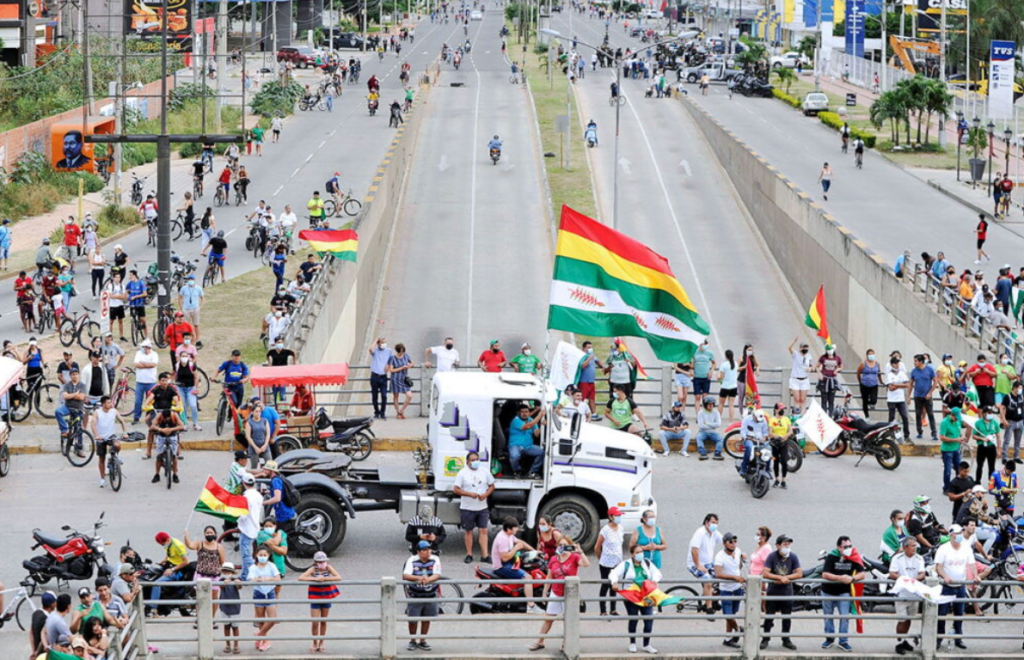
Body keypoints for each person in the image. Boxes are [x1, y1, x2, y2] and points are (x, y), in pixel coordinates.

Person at [532, 536, 588, 652]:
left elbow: (586, 564)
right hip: (555, 592)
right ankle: (540, 641)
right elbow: (549, 576)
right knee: (548, 618)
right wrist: (544, 592)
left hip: (570, 594)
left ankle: (566, 643)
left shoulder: (574, 557)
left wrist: (580, 552)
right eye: (560, 545)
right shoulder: (553, 559)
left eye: (565, 545)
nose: (562, 547)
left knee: (568, 620)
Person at [609, 543, 663, 653]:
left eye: (641, 552)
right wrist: (614, 582)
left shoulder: (647, 563)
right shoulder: (626, 564)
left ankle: (646, 644)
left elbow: (657, 573)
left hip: (646, 596)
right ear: (632, 555)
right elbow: (614, 573)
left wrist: (655, 581)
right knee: (633, 619)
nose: (640, 554)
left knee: (648, 619)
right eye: (637, 553)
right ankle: (632, 643)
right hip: (631, 596)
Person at [820, 536, 865, 652]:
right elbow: (825, 574)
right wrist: (840, 578)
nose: (848, 548)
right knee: (828, 616)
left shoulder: (854, 556)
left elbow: (862, 574)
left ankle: (843, 641)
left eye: (850, 546)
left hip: (844, 592)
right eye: (845, 547)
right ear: (839, 547)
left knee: (844, 616)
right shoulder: (831, 556)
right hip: (828, 591)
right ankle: (829, 638)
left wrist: (852, 578)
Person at [490, 517, 542, 613]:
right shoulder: (502, 539)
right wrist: (516, 548)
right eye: (515, 527)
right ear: (509, 529)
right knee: (528, 577)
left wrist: (534, 551)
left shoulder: (509, 535)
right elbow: (505, 558)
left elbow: (520, 542)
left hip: (509, 561)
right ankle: (531, 606)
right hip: (502, 566)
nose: (517, 529)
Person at [760, 534, 801, 650]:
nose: (787, 546)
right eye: (784, 544)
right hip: (773, 592)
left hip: (787, 592)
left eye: (788, 544)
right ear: (778, 546)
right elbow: (765, 573)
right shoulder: (772, 556)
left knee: (787, 618)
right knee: (769, 617)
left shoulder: (793, 557)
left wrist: (786, 577)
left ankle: (786, 639)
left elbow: (799, 573)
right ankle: (765, 639)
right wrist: (779, 577)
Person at [453, 450, 495, 564]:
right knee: (468, 531)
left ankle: (485, 555)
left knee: (484, 530)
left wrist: (486, 494)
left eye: (477, 460)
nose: (475, 462)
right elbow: (456, 489)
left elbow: (492, 486)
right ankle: (469, 554)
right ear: (467, 462)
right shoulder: (462, 473)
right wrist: (469, 494)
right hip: (467, 507)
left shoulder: (485, 472)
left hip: (482, 507)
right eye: (472, 460)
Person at [935, 524, 973, 649]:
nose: (959, 536)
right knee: (942, 614)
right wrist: (945, 576)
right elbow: (938, 567)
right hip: (946, 587)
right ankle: (938, 639)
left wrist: (975, 576)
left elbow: (971, 564)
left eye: (960, 533)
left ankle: (958, 638)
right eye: (957, 533)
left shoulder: (966, 548)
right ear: (951, 535)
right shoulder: (943, 549)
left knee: (959, 614)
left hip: (961, 586)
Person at [888, 536, 926, 655]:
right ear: (905, 547)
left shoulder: (919, 559)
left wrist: (913, 580)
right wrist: (904, 579)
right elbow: (892, 574)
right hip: (901, 594)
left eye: (916, 546)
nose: (915, 548)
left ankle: (904, 640)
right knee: (902, 619)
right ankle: (899, 642)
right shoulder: (897, 558)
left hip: (914, 594)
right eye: (912, 546)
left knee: (909, 618)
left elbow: (922, 574)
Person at [296, 551, 340, 653]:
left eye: (324, 561)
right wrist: (315, 579)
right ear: (315, 562)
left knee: (323, 621)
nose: (322, 563)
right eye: (320, 561)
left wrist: (325, 578)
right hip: (315, 598)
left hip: (326, 597)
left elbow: (338, 577)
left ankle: (322, 642)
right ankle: (315, 643)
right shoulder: (313, 569)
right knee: (315, 622)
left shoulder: (328, 567)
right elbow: (301, 577)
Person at [402, 541, 442, 651]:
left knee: (426, 619)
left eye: (429, 549)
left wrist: (428, 579)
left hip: (431, 595)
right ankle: (413, 640)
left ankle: (423, 640)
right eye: (424, 550)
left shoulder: (435, 559)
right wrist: (418, 578)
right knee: (413, 620)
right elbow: (406, 575)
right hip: (415, 595)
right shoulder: (411, 560)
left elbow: (437, 574)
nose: (428, 552)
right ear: (418, 552)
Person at [183, 526, 225, 620]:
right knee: (200, 598)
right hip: (200, 575)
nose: (209, 534)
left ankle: (212, 619)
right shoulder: (200, 544)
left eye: (211, 533)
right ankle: (200, 619)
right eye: (207, 533)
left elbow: (223, 562)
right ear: (204, 534)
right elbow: (190, 545)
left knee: (214, 598)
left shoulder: (219, 547)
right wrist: (186, 536)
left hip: (214, 576)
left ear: (215, 534)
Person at [714, 532, 746, 649]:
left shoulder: (738, 551)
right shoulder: (719, 556)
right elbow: (718, 574)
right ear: (724, 543)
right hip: (726, 589)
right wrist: (734, 577)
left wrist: (742, 559)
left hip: (737, 588)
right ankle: (738, 630)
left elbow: (738, 567)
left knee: (732, 613)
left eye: (735, 542)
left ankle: (728, 639)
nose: (733, 544)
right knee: (728, 615)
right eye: (730, 542)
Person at [688, 513, 723, 613]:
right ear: (707, 522)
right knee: (707, 581)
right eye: (713, 522)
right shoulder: (700, 533)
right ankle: (708, 607)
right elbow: (694, 550)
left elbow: (725, 541)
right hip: (695, 564)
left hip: (708, 564)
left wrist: (737, 552)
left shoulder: (714, 532)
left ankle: (713, 599)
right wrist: (698, 565)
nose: (715, 525)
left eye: (716, 523)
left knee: (722, 575)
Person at [149, 532, 190, 614]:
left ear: (167, 540)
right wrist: (164, 560)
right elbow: (169, 553)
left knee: (156, 584)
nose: (163, 546)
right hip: (169, 565)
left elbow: (186, 562)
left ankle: (153, 609)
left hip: (178, 570)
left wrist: (172, 569)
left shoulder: (178, 546)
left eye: (163, 544)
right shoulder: (168, 543)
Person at [90, 395, 126, 488]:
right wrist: (96, 435)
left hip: (111, 436)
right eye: (108, 402)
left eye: (111, 402)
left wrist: (125, 433)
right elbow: (93, 425)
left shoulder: (114, 411)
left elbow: (122, 421)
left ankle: (116, 456)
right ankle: (102, 479)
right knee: (101, 459)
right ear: (103, 404)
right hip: (101, 438)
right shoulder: (97, 412)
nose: (111, 404)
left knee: (117, 445)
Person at [250, 545, 280, 652]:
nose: (262, 557)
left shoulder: (271, 566)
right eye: (260, 555)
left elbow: (278, 578)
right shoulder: (253, 567)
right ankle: (265, 640)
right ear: (256, 555)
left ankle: (260, 635)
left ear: (268, 555)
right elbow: (250, 579)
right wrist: (256, 580)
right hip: (258, 593)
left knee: (272, 618)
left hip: (270, 593)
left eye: (265, 555)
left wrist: (268, 579)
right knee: (261, 619)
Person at [237, 473, 264, 580]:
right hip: (254, 526)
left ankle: (252, 574)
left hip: (247, 528)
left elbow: (243, 515)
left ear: (244, 483)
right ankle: (246, 574)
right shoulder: (258, 495)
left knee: (246, 555)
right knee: (248, 553)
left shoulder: (246, 497)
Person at [508, 403, 545, 478]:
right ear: (518, 413)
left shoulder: (531, 420)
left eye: (526, 411)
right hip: (515, 445)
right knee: (514, 456)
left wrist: (542, 426)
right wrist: (539, 416)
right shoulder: (516, 420)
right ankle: (517, 471)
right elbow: (527, 426)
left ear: (529, 412)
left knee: (541, 452)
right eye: (522, 412)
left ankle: (532, 472)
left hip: (528, 446)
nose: (524, 414)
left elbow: (536, 434)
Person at [149, 408, 183, 484]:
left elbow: (182, 426)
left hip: (172, 436)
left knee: (174, 456)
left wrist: (171, 429)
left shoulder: (174, 415)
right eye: (165, 419)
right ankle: (157, 474)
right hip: (161, 436)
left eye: (168, 418)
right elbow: (152, 426)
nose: (166, 420)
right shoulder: (159, 416)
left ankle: (175, 474)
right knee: (159, 456)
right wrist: (161, 429)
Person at [910, 354, 938, 441]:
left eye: (916, 361)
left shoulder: (929, 370)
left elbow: (935, 382)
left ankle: (934, 433)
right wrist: (908, 396)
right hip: (917, 395)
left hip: (927, 396)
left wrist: (930, 393)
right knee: (918, 414)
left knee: (930, 414)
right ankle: (919, 432)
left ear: (921, 361)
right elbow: (910, 384)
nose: (914, 363)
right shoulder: (914, 371)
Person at [216, 562, 241, 654]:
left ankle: (236, 645)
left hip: (235, 606)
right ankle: (227, 644)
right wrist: (224, 583)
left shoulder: (236, 580)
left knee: (235, 627)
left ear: (232, 573)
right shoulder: (221, 580)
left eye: (229, 572)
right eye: (225, 572)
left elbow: (240, 587)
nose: (227, 574)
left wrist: (238, 583)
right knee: (226, 626)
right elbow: (220, 586)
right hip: (224, 606)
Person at [972, 406, 1001, 483]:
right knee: (979, 465)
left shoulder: (995, 423)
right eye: (989, 413)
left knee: (991, 466)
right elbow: (974, 436)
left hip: (991, 447)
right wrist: (982, 439)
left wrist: (998, 450)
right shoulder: (978, 423)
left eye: (991, 412)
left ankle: (991, 483)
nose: (990, 414)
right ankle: (978, 481)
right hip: (982, 447)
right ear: (984, 413)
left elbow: (998, 437)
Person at [884, 357, 911, 439]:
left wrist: (896, 385)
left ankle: (906, 434)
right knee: (891, 418)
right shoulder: (889, 374)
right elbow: (890, 388)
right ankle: (890, 434)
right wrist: (900, 385)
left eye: (898, 363)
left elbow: (907, 384)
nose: (897, 365)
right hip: (891, 399)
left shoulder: (902, 373)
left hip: (900, 399)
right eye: (895, 363)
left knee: (905, 417)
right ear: (892, 364)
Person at [768, 403, 793, 489]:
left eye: (783, 409)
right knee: (775, 461)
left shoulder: (786, 419)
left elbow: (790, 431)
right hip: (775, 443)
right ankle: (777, 479)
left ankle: (783, 480)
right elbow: (770, 433)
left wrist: (784, 437)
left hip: (784, 443)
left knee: (784, 462)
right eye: (780, 409)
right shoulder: (772, 420)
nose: (782, 411)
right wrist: (777, 436)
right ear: (776, 410)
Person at [577, 341, 603, 421]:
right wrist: (589, 358)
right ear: (584, 348)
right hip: (583, 381)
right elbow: (583, 366)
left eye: (591, 347)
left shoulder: (593, 356)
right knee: (581, 398)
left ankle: (594, 414)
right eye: (588, 347)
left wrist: (603, 367)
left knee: (592, 398)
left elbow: (598, 362)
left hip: (591, 381)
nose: (590, 349)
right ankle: (579, 413)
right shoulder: (582, 356)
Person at [739, 408, 769, 477]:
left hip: (759, 440)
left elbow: (765, 432)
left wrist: (764, 437)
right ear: (754, 416)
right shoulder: (746, 419)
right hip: (749, 438)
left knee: (768, 449)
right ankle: (743, 468)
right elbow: (743, 432)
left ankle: (767, 469)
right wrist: (747, 437)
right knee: (749, 447)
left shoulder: (763, 419)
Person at [387, 343, 414, 419]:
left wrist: (410, 365)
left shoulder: (406, 355)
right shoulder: (392, 358)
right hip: (395, 379)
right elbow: (391, 370)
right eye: (400, 351)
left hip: (404, 378)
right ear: (397, 351)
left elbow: (412, 362)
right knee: (396, 396)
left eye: (403, 351)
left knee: (409, 395)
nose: (402, 353)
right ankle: (398, 413)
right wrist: (402, 368)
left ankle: (401, 411)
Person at [694, 396, 725, 460]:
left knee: (720, 439)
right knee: (698, 437)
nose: (711, 405)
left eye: (712, 404)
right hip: (702, 432)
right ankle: (702, 453)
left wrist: (707, 423)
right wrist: (713, 425)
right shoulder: (700, 413)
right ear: (705, 404)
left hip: (713, 432)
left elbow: (718, 424)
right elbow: (701, 426)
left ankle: (717, 453)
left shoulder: (716, 412)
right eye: (709, 404)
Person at [788, 339, 813, 412]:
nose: (805, 349)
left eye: (806, 348)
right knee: (797, 399)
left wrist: (810, 368)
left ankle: (802, 414)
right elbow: (789, 348)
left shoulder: (809, 356)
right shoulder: (796, 354)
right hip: (795, 379)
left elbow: (811, 365)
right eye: (804, 348)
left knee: (803, 399)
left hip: (804, 379)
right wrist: (794, 341)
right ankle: (796, 414)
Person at [816, 344, 842, 415]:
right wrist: (820, 374)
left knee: (831, 400)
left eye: (830, 350)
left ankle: (831, 415)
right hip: (824, 380)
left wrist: (837, 370)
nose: (829, 352)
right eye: (828, 350)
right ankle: (824, 415)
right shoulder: (823, 357)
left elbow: (841, 366)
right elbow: (817, 366)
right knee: (824, 400)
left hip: (832, 381)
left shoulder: (837, 358)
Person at [718, 349, 740, 421]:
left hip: (725, 386)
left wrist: (717, 377)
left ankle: (718, 419)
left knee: (721, 404)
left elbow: (721, 377)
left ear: (726, 356)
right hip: (733, 387)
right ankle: (731, 421)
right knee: (731, 405)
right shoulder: (735, 364)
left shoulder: (723, 365)